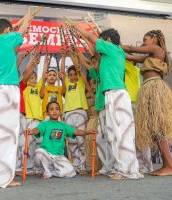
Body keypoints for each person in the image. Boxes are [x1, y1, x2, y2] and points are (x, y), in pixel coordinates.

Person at [0, 9, 38, 188]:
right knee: (7, 134)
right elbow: (22, 32)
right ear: (7, 31)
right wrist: (27, 18)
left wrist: (20, 23)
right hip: (7, 91)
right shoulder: (8, 38)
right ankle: (2, 179)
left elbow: (15, 32)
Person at [72, 23, 142, 180]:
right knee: (112, 134)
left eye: (102, 41)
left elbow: (91, 39)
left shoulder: (112, 49)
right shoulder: (112, 53)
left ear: (108, 41)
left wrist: (77, 28)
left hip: (116, 94)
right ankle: (117, 166)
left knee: (121, 134)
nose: (98, 47)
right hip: (112, 95)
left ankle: (127, 170)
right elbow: (93, 51)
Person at [122, 30, 172, 176]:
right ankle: (167, 165)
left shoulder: (156, 49)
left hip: (154, 88)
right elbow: (128, 56)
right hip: (148, 89)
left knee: (158, 128)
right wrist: (114, 50)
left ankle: (171, 167)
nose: (143, 42)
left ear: (154, 39)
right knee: (155, 130)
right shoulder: (149, 57)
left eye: (145, 39)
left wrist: (115, 44)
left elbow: (130, 49)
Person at [28, 101, 97, 179]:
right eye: (51, 109)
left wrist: (88, 132)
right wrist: (31, 131)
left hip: (59, 157)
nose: (54, 111)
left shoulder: (63, 126)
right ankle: (46, 172)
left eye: (57, 109)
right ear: (47, 113)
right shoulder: (45, 124)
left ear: (60, 112)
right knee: (38, 152)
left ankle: (51, 171)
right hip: (46, 155)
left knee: (71, 172)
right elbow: (37, 130)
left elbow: (76, 131)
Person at [60, 49, 89, 175]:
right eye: (70, 74)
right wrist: (63, 56)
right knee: (72, 141)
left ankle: (82, 165)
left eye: (74, 74)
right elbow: (62, 72)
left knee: (81, 140)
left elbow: (78, 68)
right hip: (68, 113)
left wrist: (72, 55)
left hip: (80, 112)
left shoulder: (81, 82)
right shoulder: (66, 81)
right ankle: (76, 164)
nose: (72, 76)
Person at [15, 54, 41, 175]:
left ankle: (24, 166)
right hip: (11, 114)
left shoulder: (20, 85)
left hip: (21, 115)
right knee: (15, 141)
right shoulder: (6, 86)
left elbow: (26, 75)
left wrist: (32, 62)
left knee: (23, 141)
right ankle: (16, 167)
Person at [40, 54, 65, 119]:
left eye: (54, 75)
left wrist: (62, 81)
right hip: (46, 114)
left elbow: (64, 93)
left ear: (56, 78)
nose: (52, 76)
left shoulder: (59, 88)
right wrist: (43, 81)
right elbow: (41, 95)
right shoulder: (44, 87)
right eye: (50, 75)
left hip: (58, 115)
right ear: (46, 77)